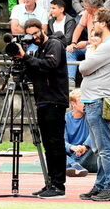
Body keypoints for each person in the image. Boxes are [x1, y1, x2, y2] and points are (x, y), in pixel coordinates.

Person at [9, 18, 68, 198]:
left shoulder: (54, 44)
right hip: (43, 100)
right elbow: (34, 71)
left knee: (55, 143)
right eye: (30, 35)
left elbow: (50, 65)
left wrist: (26, 57)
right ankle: (50, 182)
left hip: (55, 100)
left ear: (42, 29)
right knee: (48, 145)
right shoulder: (38, 50)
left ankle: (59, 185)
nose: (34, 37)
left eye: (36, 33)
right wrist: (22, 61)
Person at [73, 7, 110, 201]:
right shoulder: (108, 44)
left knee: (105, 149)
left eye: (95, 22)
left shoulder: (109, 45)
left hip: (98, 101)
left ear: (103, 23)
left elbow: (84, 68)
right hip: (95, 100)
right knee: (99, 149)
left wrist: (92, 48)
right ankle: (101, 185)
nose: (92, 26)